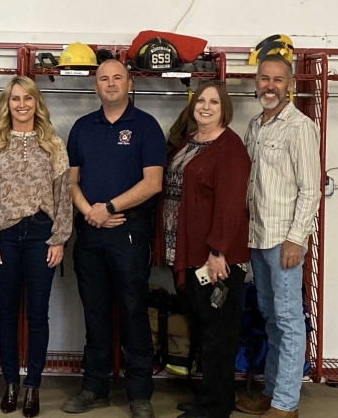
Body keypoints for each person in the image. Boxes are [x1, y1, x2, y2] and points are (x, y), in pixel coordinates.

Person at [63, 59, 165, 418]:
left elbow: (153, 182)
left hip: (129, 232)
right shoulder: (81, 127)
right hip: (90, 232)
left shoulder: (146, 127)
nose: (110, 84)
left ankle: (140, 394)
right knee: (94, 313)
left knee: (134, 310)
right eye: (103, 78)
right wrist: (91, 211)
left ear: (129, 82)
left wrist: (109, 207)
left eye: (117, 78)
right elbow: (71, 181)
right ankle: (94, 387)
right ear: (96, 86)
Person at [0, 76, 72, 418]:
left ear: (36, 103)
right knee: (5, 313)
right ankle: (10, 383)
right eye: (15, 99)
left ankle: (33, 386)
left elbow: (64, 196)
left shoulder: (53, 145)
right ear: (7, 104)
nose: (21, 105)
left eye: (27, 98)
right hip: (5, 234)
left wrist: (59, 237)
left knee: (37, 313)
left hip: (41, 233)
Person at [235, 54, 321, 418]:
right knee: (270, 316)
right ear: (257, 82)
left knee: (287, 319)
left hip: (283, 239)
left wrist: (296, 238)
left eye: (278, 80)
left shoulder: (299, 127)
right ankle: (272, 394)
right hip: (257, 237)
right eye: (264, 78)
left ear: (290, 85)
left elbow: (311, 189)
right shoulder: (255, 126)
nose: (270, 85)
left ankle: (286, 405)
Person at [161, 81, 250, 418]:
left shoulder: (230, 147)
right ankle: (209, 397)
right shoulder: (191, 141)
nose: (206, 107)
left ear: (224, 108)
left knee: (218, 334)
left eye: (214, 102)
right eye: (201, 100)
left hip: (215, 259)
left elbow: (230, 206)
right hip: (186, 253)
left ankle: (215, 407)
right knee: (203, 327)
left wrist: (217, 252)